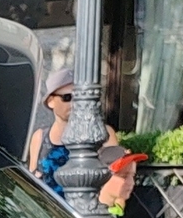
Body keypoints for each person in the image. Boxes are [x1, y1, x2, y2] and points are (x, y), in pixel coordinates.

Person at [25, 68, 134, 209]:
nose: (75, 103)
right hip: (49, 216)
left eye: (80, 96)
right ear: (51, 101)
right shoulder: (40, 137)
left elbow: (117, 182)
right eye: (67, 98)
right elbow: (32, 184)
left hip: (88, 217)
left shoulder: (102, 133)